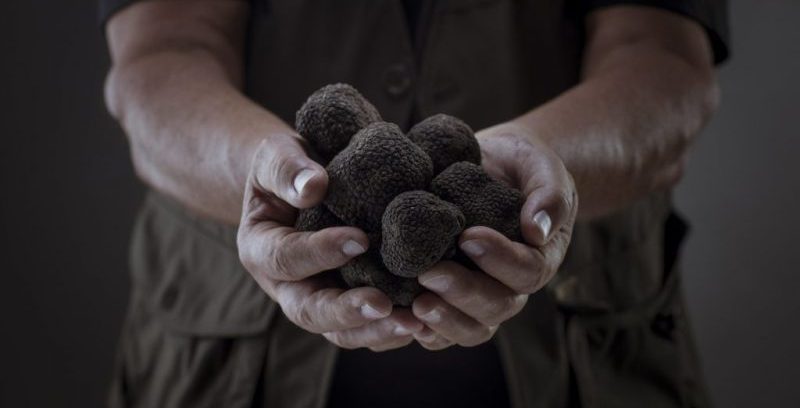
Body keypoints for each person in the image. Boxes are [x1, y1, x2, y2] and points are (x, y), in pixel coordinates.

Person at [100, 0, 729, 407]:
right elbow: (162, 53)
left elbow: (662, 57)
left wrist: (544, 155)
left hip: (582, 362)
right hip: (224, 369)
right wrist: (262, 171)